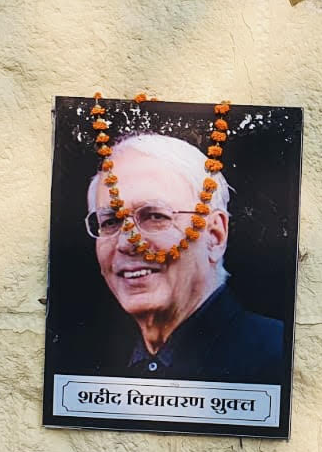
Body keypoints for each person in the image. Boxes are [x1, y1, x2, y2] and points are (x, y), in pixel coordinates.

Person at [77, 132, 284, 384]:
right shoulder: (92, 367)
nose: (125, 243)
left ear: (214, 236)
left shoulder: (278, 358)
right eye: (110, 222)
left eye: (155, 216)